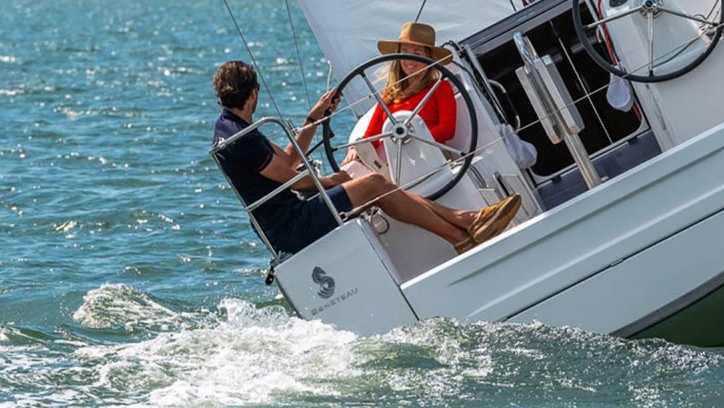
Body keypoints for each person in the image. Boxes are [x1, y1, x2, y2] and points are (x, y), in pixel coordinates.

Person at [211, 60, 519, 255]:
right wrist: (334, 180)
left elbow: (289, 159)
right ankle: (459, 234)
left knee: (372, 185)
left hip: (283, 222)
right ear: (253, 94)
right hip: (291, 225)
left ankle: (463, 224)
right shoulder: (243, 138)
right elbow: (298, 182)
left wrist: (313, 120)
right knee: (371, 183)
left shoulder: (232, 128)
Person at [349, 22, 457, 165]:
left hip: (432, 156)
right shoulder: (389, 95)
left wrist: (409, 140)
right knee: (351, 172)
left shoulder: (440, 87)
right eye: (404, 52)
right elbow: (372, 136)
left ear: (429, 58)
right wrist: (356, 149)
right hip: (398, 160)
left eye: (417, 54)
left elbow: (447, 130)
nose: (410, 60)